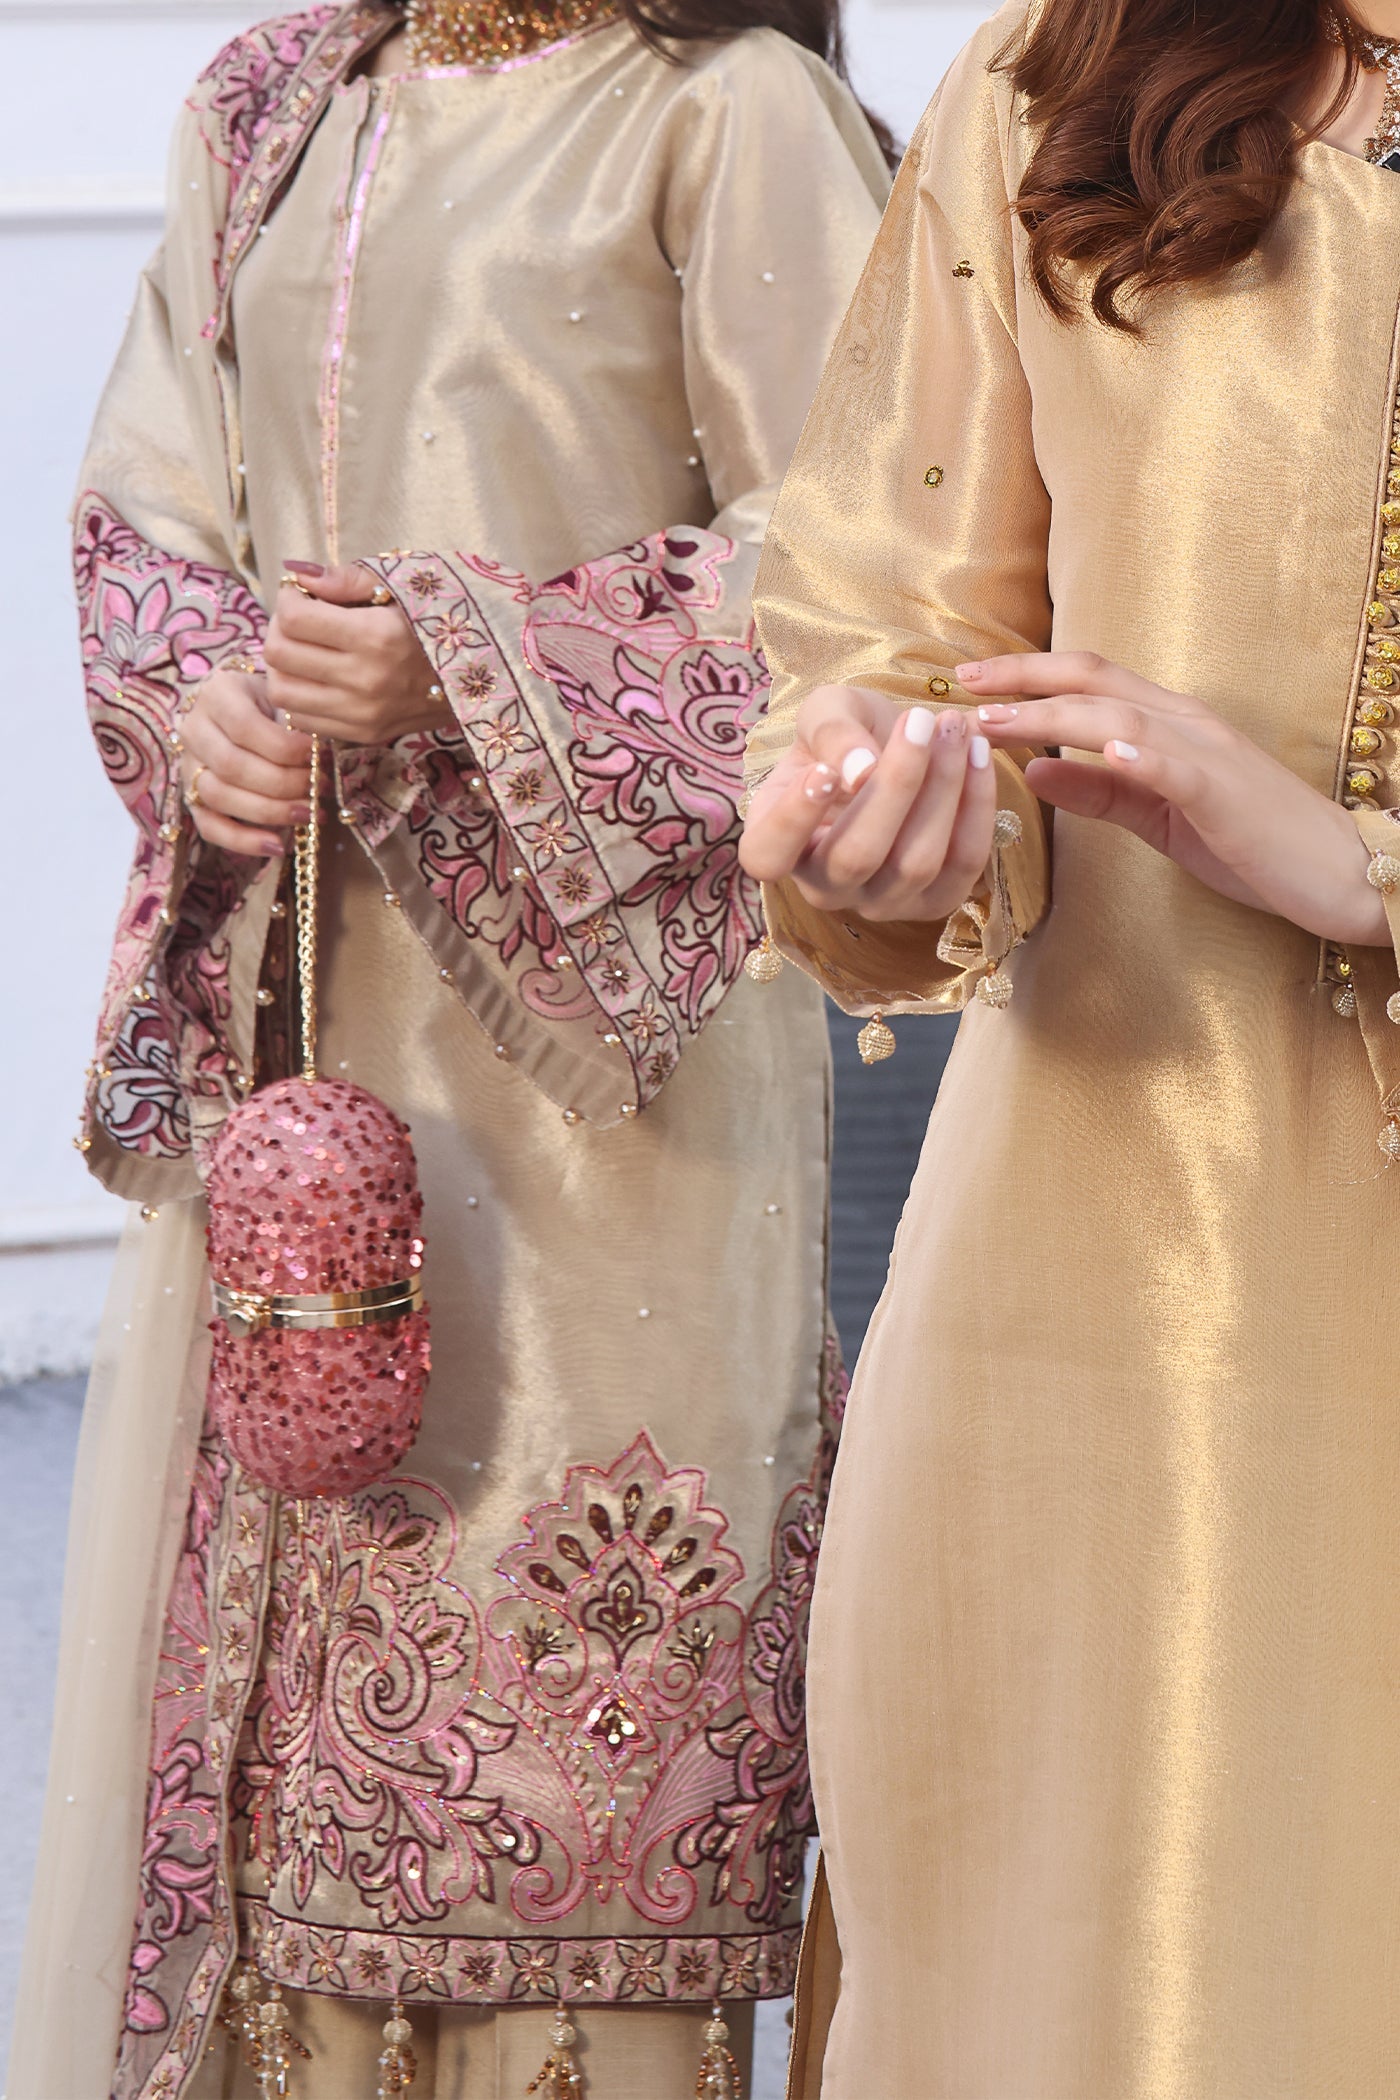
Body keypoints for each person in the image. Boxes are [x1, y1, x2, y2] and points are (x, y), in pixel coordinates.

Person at [9, 2, 890, 2093]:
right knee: (278, 1777)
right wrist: (213, 707)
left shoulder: (726, 111)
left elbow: (870, 560)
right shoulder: (270, 103)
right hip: (312, 1067)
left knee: (573, 1813)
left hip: (628, 1125)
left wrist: (472, 662)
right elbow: (148, 517)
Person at [740, 1, 1400, 2093]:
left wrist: (1359, 865)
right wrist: (881, 790)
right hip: (1090, 1309)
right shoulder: (1063, 62)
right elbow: (890, 616)